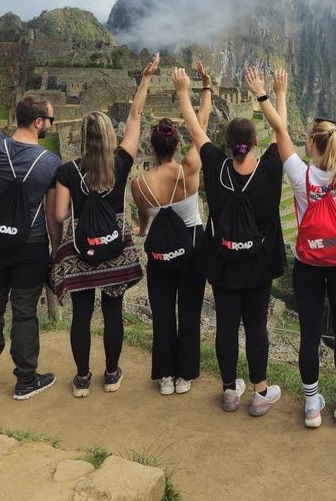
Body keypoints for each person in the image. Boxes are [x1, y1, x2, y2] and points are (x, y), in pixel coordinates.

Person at [257, 59, 336, 428]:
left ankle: (312, 405)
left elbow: (279, 132)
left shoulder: (300, 174)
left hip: (309, 265)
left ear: (310, 143)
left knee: (310, 333)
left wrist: (272, 94)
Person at [172, 64, 286, 417]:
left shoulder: (216, 167)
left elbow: (194, 128)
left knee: (226, 326)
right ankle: (260, 391)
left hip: (223, 263)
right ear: (254, 143)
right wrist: (274, 93)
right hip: (258, 264)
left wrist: (183, 90)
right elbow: (281, 132)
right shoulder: (269, 168)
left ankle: (228, 391)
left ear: (226, 144)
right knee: (256, 326)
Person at [0, 24, 62, 400]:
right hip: (29, 245)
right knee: (23, 312)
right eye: (49, 119)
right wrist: (55, 250)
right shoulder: (50, 165)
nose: (52, 124)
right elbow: (54, 216)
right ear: (37, 122)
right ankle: (25, 380)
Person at [49, 54, 156, 397]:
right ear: (110, 135)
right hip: (115, 250)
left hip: (82, 253)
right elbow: (136, 116)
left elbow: (61, 215)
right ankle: (111, 373)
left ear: (82, 137)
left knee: (81, 315)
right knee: (113, 312)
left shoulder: (68, 171)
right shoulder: (121, 163)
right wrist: (145, 78)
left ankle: (82, 378)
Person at [131, 62, 213, 396]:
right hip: (192, 245)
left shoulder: (139, 184)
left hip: (161, 251)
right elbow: (202, 128)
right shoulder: (189, 170)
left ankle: (164, 376)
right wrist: (202, 89)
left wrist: (143, 226)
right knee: (190, 310)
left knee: (163, 312)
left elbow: (145, 220)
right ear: (178, 145)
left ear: (151, 147)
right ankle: (185, 375)